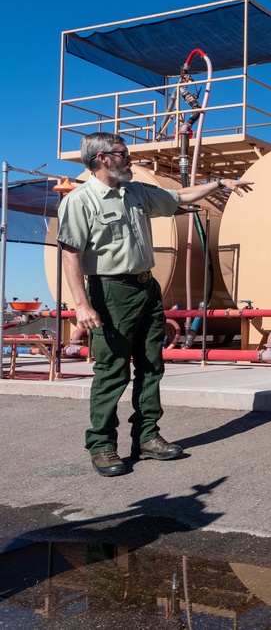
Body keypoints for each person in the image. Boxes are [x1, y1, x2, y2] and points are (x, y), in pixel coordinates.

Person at [58, 132, 253, 477]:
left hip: (147, 288)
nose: (130, 159)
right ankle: (102, 445)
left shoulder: (135, 191)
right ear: (102, 158)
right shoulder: (80, 201)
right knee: (112, 371)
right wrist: (81, 304)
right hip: (110, 291)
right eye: (123, 153)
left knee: (151, 366)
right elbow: (71, 254)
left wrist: (219, 182)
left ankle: (147, 438)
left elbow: (178, 196)